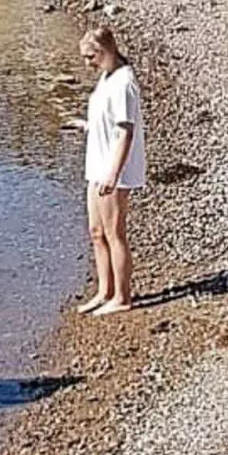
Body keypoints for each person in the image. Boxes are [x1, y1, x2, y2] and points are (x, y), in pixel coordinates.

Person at [76, 27, 145, 316]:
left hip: (113, 168)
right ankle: (104, 290)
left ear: (106, 50)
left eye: (90, 56)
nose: (87, 63)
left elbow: (125, 131)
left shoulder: (124, 83)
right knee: (96, 231)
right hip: (97, 164)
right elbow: (105, 119)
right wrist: (85, 125)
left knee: (114, 232)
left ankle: (122, 296)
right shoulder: (107, 78)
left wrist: (113, 175)